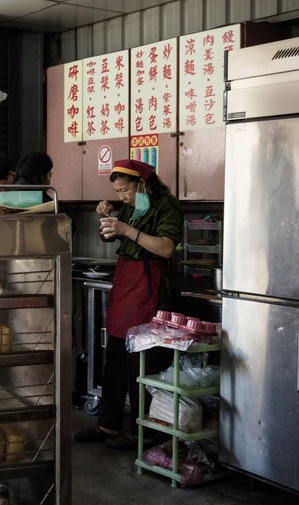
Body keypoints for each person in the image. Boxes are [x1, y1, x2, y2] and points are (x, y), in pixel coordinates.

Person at [75, 158, 183, 450]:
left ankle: (142, 433)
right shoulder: (134, 206)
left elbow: (166, 247)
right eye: (118, 192)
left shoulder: (166, 205)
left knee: (142, 363)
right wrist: (108, 222)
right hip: (127, 283)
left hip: (150, 287)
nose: (121, 196)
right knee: (115, 357)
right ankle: (108, 424)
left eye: (125, 190)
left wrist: (126, 230)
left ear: (142, 184)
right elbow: (112, 237)